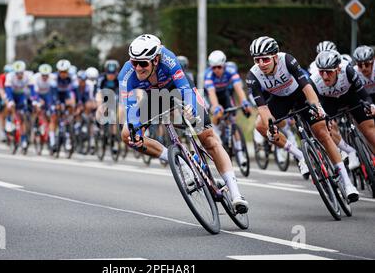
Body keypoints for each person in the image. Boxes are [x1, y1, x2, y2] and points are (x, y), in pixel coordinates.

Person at [119, 34, 248, 212]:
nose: (138, 68)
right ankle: (180, 162)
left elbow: (186, 90)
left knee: (208, 139)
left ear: (156, 59)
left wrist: (191, 109)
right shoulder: (126, 74)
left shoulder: (168, 59)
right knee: (127, 135)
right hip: (152, 98)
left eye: (143, 63)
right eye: (134, 62)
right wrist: (135, 131)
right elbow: (130, 108)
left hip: (178, 90)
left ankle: (236, 194)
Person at [246, 36, 359, 202]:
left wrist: (318, 108)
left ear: (275, 56)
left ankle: (347, 182)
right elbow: (262, 108)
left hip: (301, 93)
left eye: (265, 59)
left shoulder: (288, 60)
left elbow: (306, 86)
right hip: (280, 99)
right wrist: (271, 126)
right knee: (260, 126)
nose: (261, 63)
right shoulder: (253, 75)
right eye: (258, 60)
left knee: (322, 133)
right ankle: (300, 156)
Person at [311, 50, 375, 157]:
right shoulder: (313, 81)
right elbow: (313, 102)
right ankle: (349, 151)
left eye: (329, 71)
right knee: (325, 127)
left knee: (369, 129)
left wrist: (371, 105)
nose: (325, 76)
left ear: (338, 69)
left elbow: (364, 95)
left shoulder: (348, 71)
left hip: (350, 96)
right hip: (329, 101)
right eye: (322, 72)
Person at [204, 50, 252, 167]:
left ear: (224, 65)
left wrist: (244, 101)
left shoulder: (231, 71)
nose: (217, 70)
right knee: (218, 113)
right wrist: (215, 107)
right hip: (211, 96)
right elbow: (211, 93)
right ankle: (216, 133)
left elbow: (238, 88)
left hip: (225, 94)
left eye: (219, 67)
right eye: (214, 68)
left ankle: (240, 153)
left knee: (232, 121)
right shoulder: (208, 74)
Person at [5, 60, 36, 149]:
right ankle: (9, 121)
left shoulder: (29, 75)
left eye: (21, 73)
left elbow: (32, 89)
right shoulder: (10, 76)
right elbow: (8, 90)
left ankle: (23, 139)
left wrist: (34, 100)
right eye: (17, 73)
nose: (19, 75)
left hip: (22, 94)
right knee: (9, 105)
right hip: (12, 94)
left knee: (23, 116)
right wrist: (10, 100)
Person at [34, 64, 57, 150]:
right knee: (37, 107)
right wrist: (38, 100)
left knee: (52, 114)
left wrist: (53, 103)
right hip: (38, 95)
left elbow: (54, 92)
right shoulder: (35, 78)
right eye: (43, 75)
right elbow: (34, 92)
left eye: (46, 75)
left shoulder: (53, 78)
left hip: (48, 96)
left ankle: (52, 140)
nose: (44, 77)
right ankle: (37, 125)